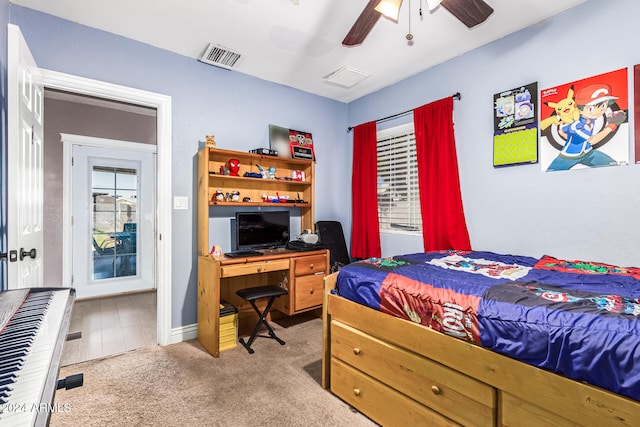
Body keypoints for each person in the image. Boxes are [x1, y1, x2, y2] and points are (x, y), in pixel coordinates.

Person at [546, 83, 626, 171]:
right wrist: (612, 125)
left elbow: (561, 131)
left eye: (604, 106)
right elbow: (593, 140)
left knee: (615, 166)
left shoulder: (590, 119)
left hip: (587, 153)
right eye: (591, 108)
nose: (599, 111)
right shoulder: (576, 125)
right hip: (569, 157)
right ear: (579, 110)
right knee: (550, 173)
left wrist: (571, 138)